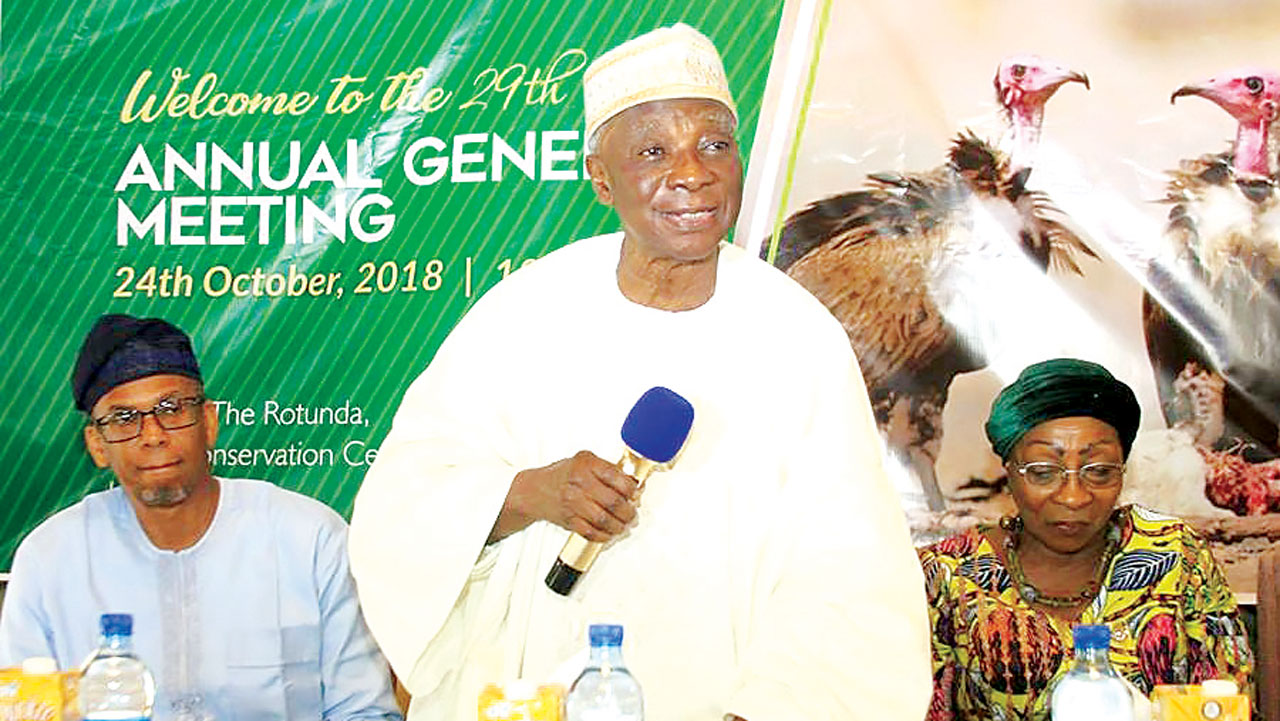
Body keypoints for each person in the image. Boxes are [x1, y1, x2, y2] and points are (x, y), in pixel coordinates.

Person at [347, 22, 931, 721]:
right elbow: (405, 504)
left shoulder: (799, 337)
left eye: (714, 145)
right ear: (601, 177)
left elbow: (848, 572)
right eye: (654, 151)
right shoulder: (524, 314)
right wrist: (531, 492)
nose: (692, 173)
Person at [0, 314, 402, 721]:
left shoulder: (310, 540)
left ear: (209, 422)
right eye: (124, 419)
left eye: (171, 409)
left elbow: (364, 711)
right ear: (97, 444)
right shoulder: (50, 560)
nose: (153, 435)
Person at [919, 358, 1254, 721]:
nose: (1073, 497)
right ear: (1009, 472)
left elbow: (1229, 703)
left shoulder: (1174, 555)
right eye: (1043, 472)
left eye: (1100, 472)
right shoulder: (950, 573)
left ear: (1123, 471)